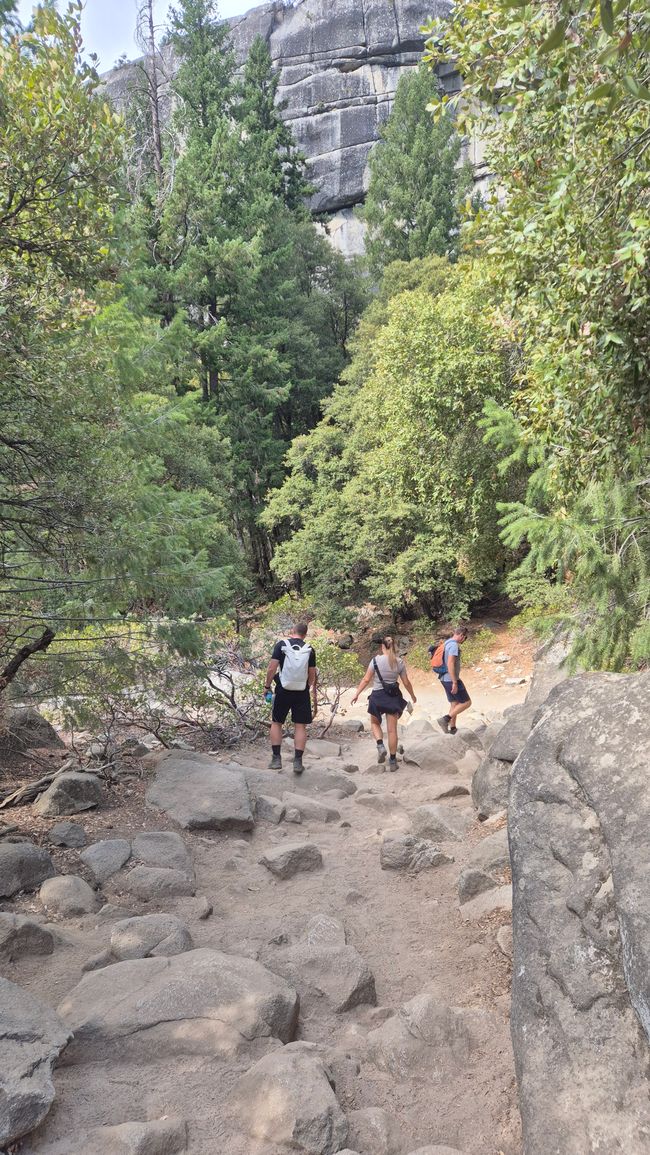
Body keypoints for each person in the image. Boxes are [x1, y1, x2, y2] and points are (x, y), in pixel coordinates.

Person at [350, 635, 416, 771]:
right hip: (392, 698)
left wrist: (356, 693)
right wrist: (413, 696)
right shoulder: (399, 662)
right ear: (395, 647)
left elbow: (366, 679)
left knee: (374, 723)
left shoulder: (375, 661)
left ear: (382, 646)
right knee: (392, 731)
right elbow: (406, 682)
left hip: (377, 697)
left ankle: (380, 745)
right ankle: (392, 761)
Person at [264, 622, 317, 774]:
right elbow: (312, 673)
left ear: (292, 631)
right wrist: (307, 686)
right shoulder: (309, 649)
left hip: (283, 689)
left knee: (277, 722)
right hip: (301, 690)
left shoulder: (281, 645)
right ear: (305, 634)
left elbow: (272, 667)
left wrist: (267, 686)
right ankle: (298, 762)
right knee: (300, 726)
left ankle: (276, 759)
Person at [436, 625, 472, 734]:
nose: (464, 640)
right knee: (467, 702)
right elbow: (450, 663)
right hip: (451, 679)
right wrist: (455, 682)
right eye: (464, 638)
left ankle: (452, 728)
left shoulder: (446, 643)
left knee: (454, 703)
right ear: (461, 635)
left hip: (443, 678)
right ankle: (445, 719)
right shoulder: (453, 646)